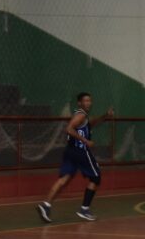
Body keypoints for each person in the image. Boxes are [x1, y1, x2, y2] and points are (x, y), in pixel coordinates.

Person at [36, 92, 113, 223]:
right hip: (80, 151)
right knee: (96, 177)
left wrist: (105, 115)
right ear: (79, 103)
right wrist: (85, 141)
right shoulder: (81, 114)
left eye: (90, 100)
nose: (89, 103)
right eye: (86, 101)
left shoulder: (83, 116)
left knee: (64, 179)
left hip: (70, 151)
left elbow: (92, 123)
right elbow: (69, 129)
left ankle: (46, 205)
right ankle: (84, 209)